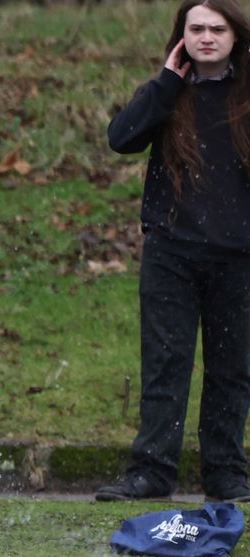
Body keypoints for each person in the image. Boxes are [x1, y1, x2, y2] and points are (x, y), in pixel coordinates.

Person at [98, 0, 250, 502]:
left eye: (217, 29)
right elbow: (121, 139)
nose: (207, 37)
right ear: (181, 36)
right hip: (172, 253)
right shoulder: (167, 96)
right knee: (165, 365)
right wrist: (166, 82)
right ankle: (152, 472)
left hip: (239, 258)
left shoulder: (247, 97)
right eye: (196, 29)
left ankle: (226, 475)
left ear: (235, 35)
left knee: (232, 370)